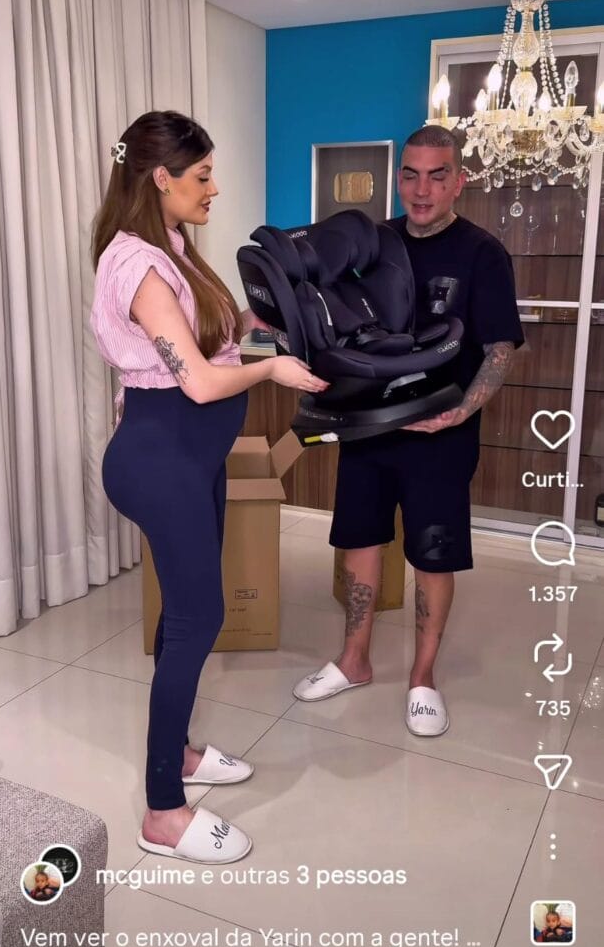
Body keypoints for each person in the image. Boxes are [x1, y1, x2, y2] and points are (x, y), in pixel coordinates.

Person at [90, 110, 328, 864]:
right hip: (160, 459)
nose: (213, 188)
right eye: (201, 176)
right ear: (160, 177)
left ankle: (182, 752)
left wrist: (266, 326)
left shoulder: (174, 246)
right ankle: (162, 812)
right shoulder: (136, 265)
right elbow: (194, 382)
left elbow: (211, 343)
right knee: (200, 618)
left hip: (192, 460)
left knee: (186, 612)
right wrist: (270, 369)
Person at [293, 124, 524, 737]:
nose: (422, 190)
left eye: (437, 176)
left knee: (432, 553)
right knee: (360, 539)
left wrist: (462, 411)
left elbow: (500, 348)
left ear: (459, 182)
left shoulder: (482, 253)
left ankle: (423, 676)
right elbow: (333, 320)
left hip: (440, 434)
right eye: (411, 175)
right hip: (370, 427)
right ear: (399, 178)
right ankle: (354, 660)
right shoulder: (373, 242)